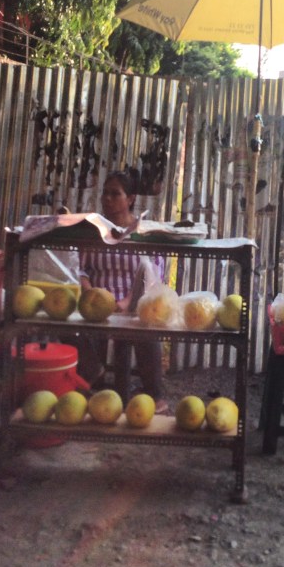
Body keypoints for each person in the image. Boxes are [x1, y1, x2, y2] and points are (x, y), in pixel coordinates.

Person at [78, 170, 168, 414]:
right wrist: (89, 294)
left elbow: (153, 272)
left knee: (144, 326)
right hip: (97, 305)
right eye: (105, 193)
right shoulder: (93, 230)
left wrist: (128, 301)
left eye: (115, 194)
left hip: (134, 303)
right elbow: (81, 269)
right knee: (72, 326)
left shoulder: (143, 231)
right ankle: (95, 380)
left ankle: (154, 394)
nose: (107, 198)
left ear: (130, 199)